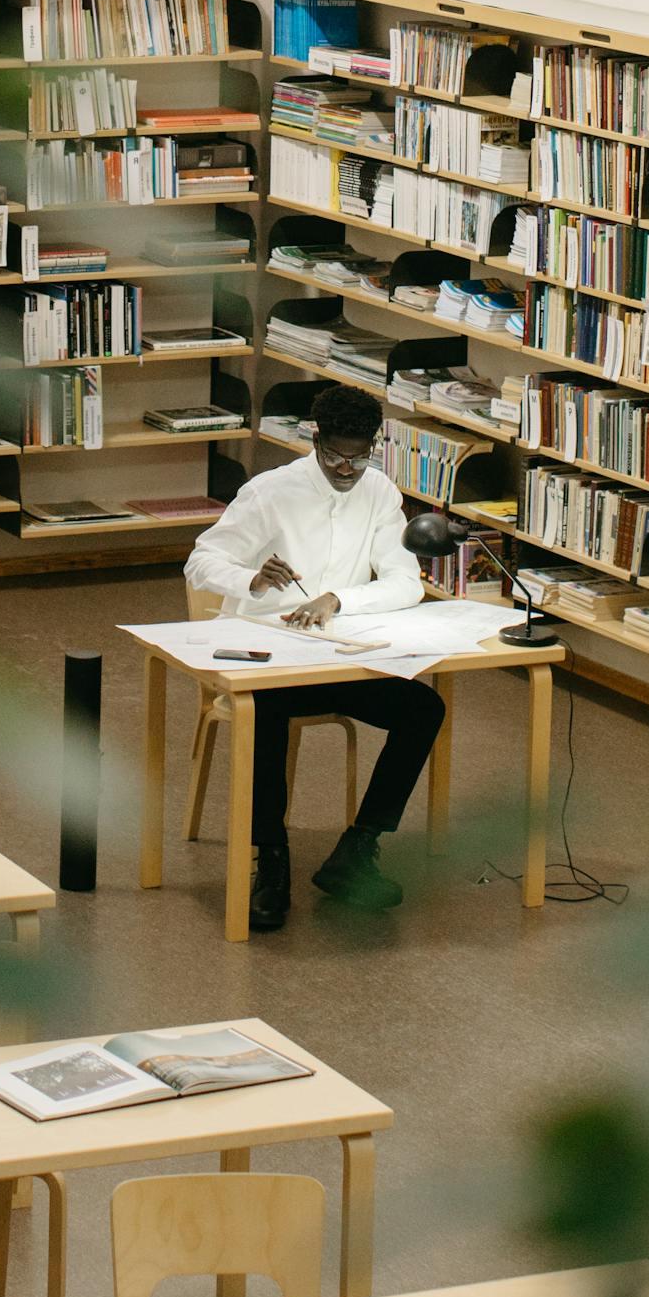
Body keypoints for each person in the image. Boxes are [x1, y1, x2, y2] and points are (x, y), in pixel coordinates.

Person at [183, 385, 446, 929]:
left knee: (423, 707)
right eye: (335, 456)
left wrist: (339, 599)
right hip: (265, 657)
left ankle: (358, 849)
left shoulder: (379, 491)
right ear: (315, 440)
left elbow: (406, 583)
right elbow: (201, 561)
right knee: (267, 711)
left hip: (337, 657)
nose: (347, 468)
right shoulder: (269, 492)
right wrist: (249, 579)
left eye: (360, 455)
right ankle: (270, 859)